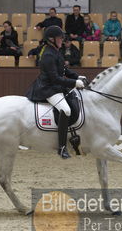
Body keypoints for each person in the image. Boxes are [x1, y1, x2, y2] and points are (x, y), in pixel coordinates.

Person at [25, 26, 86, 159]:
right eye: (60, 38)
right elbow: (55, 78)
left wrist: (77, 76)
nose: (62, 40)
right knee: (66, 110)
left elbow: (64, 70)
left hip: (56, 86)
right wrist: (74, 83)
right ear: (51, 39)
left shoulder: (56, 51)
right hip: (48, 88)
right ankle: (62, 147)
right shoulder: (48, 55)